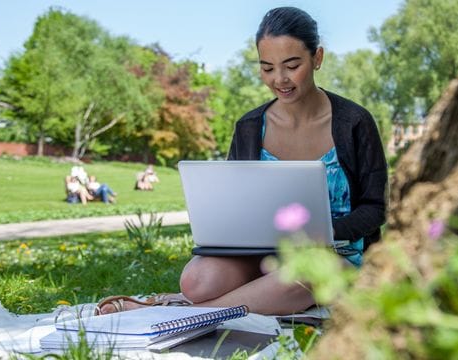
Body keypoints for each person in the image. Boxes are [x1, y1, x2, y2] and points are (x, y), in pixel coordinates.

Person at [97, 6, 387, 316]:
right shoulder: (250, 127)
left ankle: (177, 314)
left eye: (292, 65)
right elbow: (234, 205)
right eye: (267, 67)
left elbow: (375, 208)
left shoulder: (354, 122)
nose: (280, 79)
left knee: (303, 273)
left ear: (317, 58)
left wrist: (327, 231)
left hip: (337, 257)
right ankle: (218, 302)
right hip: (265, 254)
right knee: (197, 279)